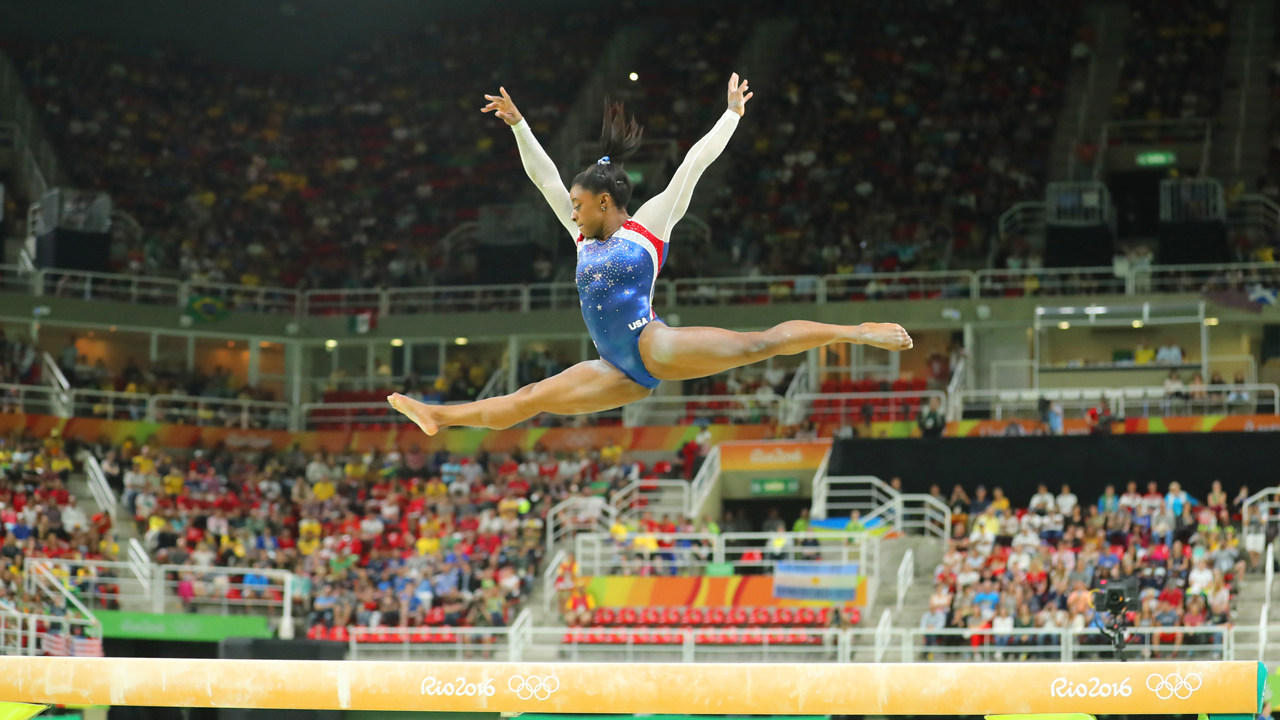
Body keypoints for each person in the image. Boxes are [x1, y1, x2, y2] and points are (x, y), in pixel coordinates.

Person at [388, 76, 913, 434]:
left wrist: (730, 116)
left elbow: (692, 165)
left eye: (577, 205)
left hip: (650, 343)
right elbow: (543, 177)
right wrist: (519, 126)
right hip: (614, 370)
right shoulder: (581, 238)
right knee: (530, 397)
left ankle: (855, 331)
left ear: (604, 201)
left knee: (758, 343)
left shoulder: (649, 228)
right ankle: (440, 417)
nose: (569, 213)